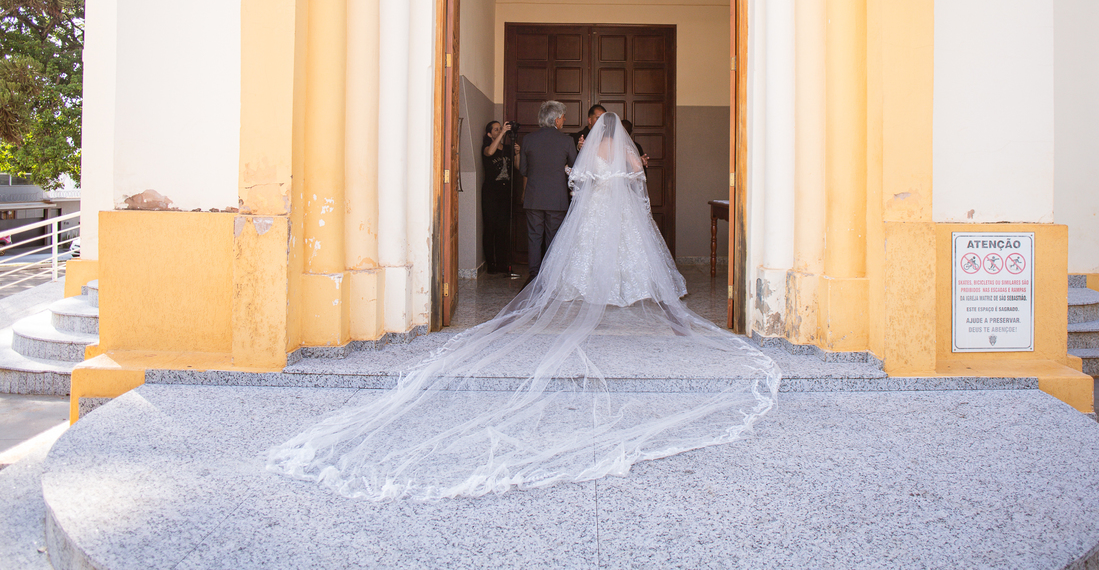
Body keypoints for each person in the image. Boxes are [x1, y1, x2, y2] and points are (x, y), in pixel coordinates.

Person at [266, 113, 780, 502]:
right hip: (621, 215)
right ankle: (629, 290)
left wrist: (592, 181)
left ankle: (581, 288)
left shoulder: (589, 150)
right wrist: (625, 180)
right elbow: (637, 181)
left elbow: (578, 182)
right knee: (631, 255)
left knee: (578, 256)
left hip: (594, 213)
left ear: (596, 131)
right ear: (620, 133)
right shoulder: (625, 153)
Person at [516, 100, 577, 283]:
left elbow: (523, 170)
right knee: (554, 238)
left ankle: (534, 275)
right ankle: (550, 277)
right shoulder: (566, 140)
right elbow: (575, 167)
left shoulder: (528, 139)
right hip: (556, 198)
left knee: (534, 237)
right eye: (563, 117)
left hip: (534, 197)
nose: (564, 120)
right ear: (557, 119)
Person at [480, 120, 519, 274]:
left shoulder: (508, 148)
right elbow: (490, 153)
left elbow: (517, 166)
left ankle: (502, 263)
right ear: (490, 134)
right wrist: (503, 133)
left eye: (500, 128)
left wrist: (517, 153)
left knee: (503, 228)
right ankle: (491, 263)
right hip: (491, 193)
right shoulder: (486, 147)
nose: (499, 130)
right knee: (490, 227)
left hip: (505, 192)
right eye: (496, 129)